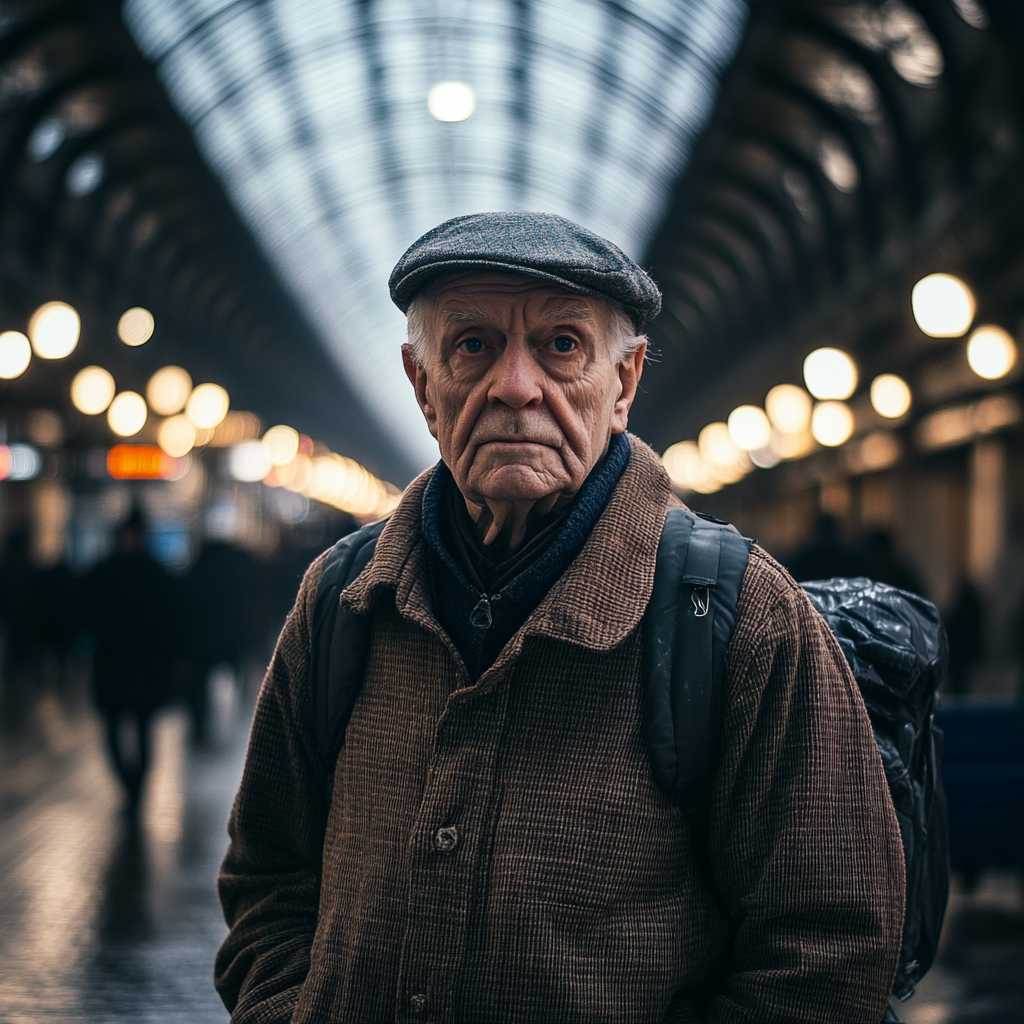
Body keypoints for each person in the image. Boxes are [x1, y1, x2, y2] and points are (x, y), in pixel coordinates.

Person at [216, 212, 904, 1023]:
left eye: (563, 345)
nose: (515, 385)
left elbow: (830, 952)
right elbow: (267, 879)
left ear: (625, 384)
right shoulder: (340, 600)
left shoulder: (743, 616)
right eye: (472, 344)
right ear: (421, 384)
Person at [82, 506, 181, 812]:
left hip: (113, 663)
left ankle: (131, 786)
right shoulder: (158, 573)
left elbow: (85, 611)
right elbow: (173, 621)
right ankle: (136, 787)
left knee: (115, 728)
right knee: (142, 728)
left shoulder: (103, 571)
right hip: (146, 666)